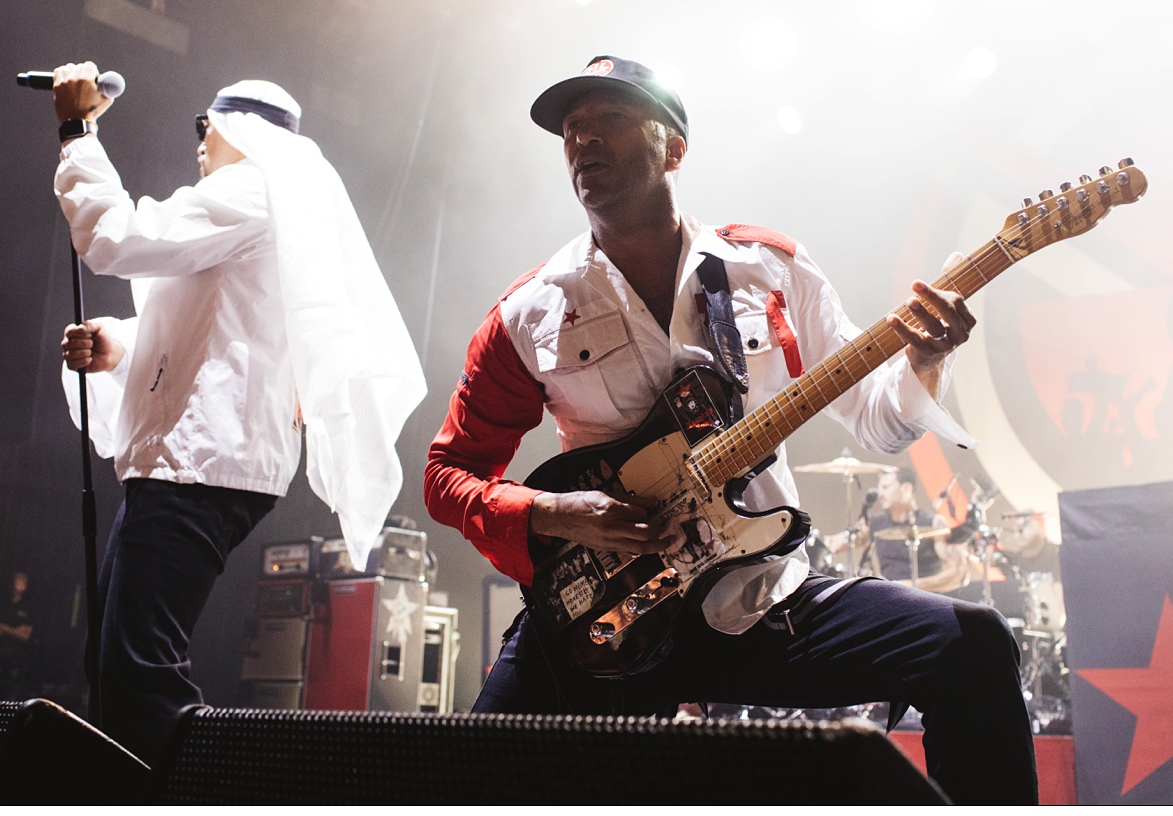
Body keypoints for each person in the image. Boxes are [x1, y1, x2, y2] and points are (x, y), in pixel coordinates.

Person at [424, 56, 1037, 804]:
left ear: (673, 149)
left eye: (608, 119)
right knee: (463, 777)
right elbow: (449, 474)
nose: (583, 138)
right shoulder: (530, 311)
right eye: (571, 130)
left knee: (971, 645)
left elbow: (879, 420)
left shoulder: (767, 269)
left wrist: (926, 354)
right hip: (607, 616)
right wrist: (552, 511)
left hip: (762, 595)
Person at [49, 63, 425, 763]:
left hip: (198, 465)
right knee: (116, 666)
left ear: (241, 131)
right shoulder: (269, 205)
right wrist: (119, 347)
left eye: (208, 124)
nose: (199, 139)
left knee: (137, 672)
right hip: (197, 461)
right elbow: (220, 331)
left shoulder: (254, 190)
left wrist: (78, 132)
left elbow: (114, 237)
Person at [829, 467, 970, 592]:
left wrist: (911, 585)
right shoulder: (874, 523)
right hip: (890, 600)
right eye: (879, 488)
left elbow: (958, 573)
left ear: (906, 488)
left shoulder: (934, 523)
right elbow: (832, 545)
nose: (880, 493)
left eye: (886, 487)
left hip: (926, 601)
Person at [0, 569, 35, 700]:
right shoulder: (2, 604)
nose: (17, 584)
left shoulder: (27, 607)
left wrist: (5, 628)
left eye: (21, 581)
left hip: (17, 659)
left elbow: (25, 635)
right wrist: (14, 631)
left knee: (11, 696)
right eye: (15, 580)